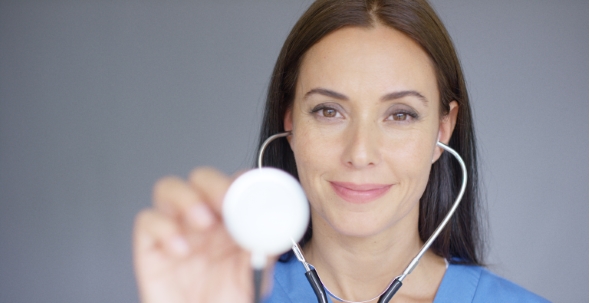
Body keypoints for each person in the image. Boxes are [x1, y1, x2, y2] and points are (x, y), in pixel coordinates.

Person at [133, 0, 550, 302]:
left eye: (400, 114)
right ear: (290, 120)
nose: (360, 152)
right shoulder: (218, 293)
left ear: (443, 129)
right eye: (329, 110)